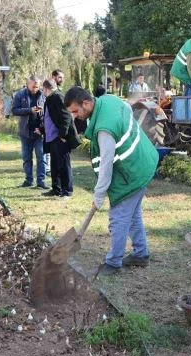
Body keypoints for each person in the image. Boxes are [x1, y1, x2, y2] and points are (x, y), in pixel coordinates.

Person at [64, 86, 159, 276]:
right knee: (133, 215)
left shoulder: (104, 129)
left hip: (131, 174)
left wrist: (99, 194)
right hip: (144, 162)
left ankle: (113, 263)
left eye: (76, 111)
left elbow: (106, 164)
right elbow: (126, 110)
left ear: (87, 103)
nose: (74, 116)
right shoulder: (109, 100)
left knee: (118, 219)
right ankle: (141, 254)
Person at [39, 79, 80, 199]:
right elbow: (50, 118)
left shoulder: (58, 97)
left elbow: (66, 117)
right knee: (55, 165)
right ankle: (56, 189)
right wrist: (42, 130)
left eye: (43, 90)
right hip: (52, 137)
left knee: (64, 165)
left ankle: (67, 191)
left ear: (46, 89)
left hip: (60, 138)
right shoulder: (50, 98)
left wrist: (62, 135)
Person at [11, 75, 48, 189]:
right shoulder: (20, 95)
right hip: (25, 132)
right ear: (28, 84)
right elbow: (14, 110)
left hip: (40, 132)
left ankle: (41, 181)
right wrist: (29, 110)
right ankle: (28, 180)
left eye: (37, 87)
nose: (35, 89)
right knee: (27, 157)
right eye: (33, 87)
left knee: (41, 157)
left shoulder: (43, 95)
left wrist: (43, 110)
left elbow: (49, 111)